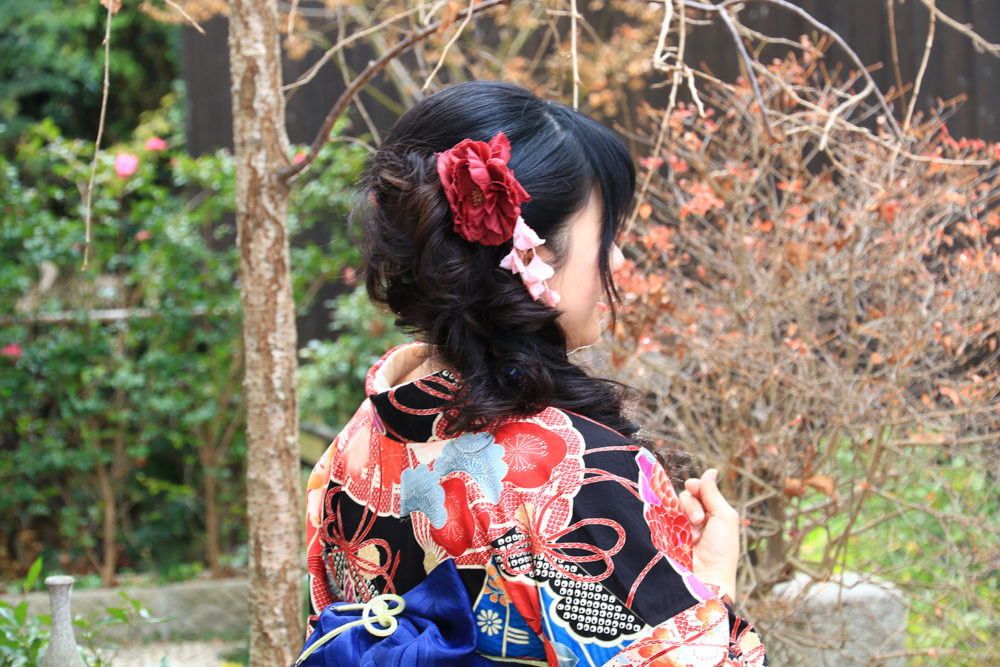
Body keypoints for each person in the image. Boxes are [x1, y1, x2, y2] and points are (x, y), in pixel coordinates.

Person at [303, 80, 767, 665]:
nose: (619, 260)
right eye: (609, 236)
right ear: (531, 253)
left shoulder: (354, 449)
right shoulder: (576, 477)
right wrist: (713, 583)